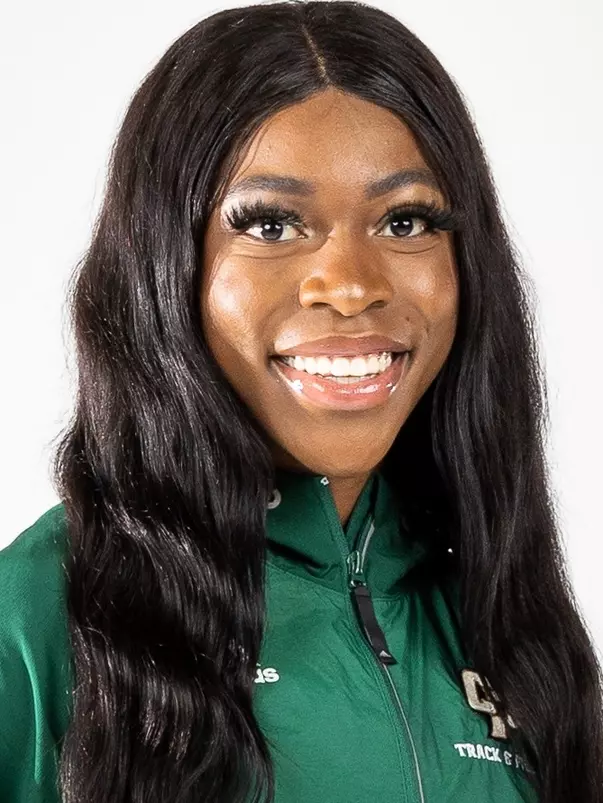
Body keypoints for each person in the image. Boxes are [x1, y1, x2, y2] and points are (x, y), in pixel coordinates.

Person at [1, 1, 602, 801]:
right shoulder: (41, 614)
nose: (351, 285)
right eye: (273, 225)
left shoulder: (509, 619)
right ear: (163, 265)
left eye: (405, 219)